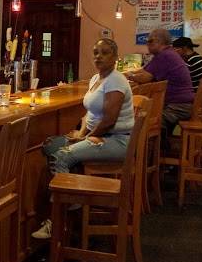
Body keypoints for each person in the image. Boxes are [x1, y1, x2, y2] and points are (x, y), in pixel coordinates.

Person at [41, 37, 135, 176]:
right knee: (50, 145)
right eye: (96, 53)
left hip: (117, 139)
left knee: (60, 157)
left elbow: (109, 121)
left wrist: (86, 138)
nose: (99, 56)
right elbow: (90, 113)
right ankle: (76, 181)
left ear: (115, 57)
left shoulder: (116, 80)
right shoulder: (95, 78)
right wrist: (81, 133)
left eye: (105, 53)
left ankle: (68, 190)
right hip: (95, 134)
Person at [125, 27, 195, 132]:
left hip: (177, 107)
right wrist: (128, 74)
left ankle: (152, 142)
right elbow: (144, 71)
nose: (147, 44)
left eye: (150, 41)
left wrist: (128, 76)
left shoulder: (165, 55)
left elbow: (146, 77)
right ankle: (160, 141)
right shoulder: (168, 53)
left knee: (140, 121)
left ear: (159, 41)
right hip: (182, 104)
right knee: (142, 114)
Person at [173, 36, 202, 112]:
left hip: (197, 104)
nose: (174, 52)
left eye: (176, 49)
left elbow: (177, 79)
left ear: (184, 48)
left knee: (166, 107)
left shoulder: (190, 61)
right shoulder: (196, 57)